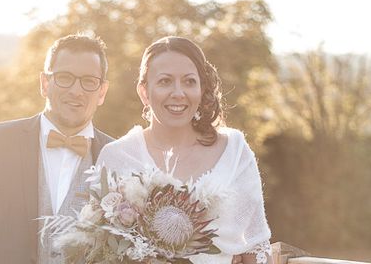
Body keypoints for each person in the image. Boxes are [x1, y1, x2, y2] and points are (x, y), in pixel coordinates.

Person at [96, 36, 272, 264]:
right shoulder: (117, 157)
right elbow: (99, 249)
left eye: (189, 82)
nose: (178, 93)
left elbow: (255, 245)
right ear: (144, 92)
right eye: (165, 81)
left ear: (201, 89)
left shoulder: (234, 151)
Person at [0, 34, 114, 264]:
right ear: (44, 84)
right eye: (65, 77)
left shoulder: (118, 155)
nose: (77, 91)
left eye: (89, 81)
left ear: (102, 92)